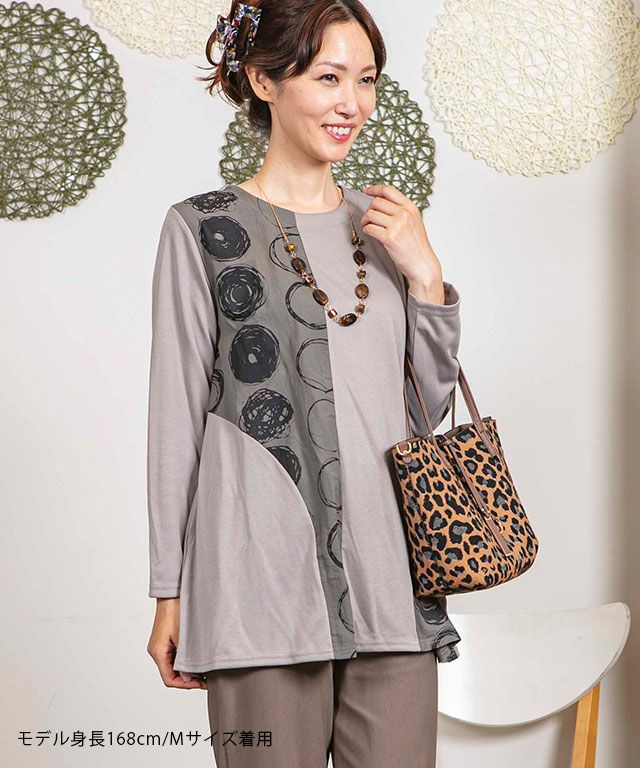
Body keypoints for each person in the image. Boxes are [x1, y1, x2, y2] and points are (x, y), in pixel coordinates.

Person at [146, 1, 463, 765]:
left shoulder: (386, 228)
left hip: (394, 589)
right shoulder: (204, 229)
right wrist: (168, 590)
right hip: (259, 591)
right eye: (328, 77)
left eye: (367, 80)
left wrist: (426, 277)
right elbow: (175, 420)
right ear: (264, 81)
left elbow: (425, 412)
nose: (352, 102)